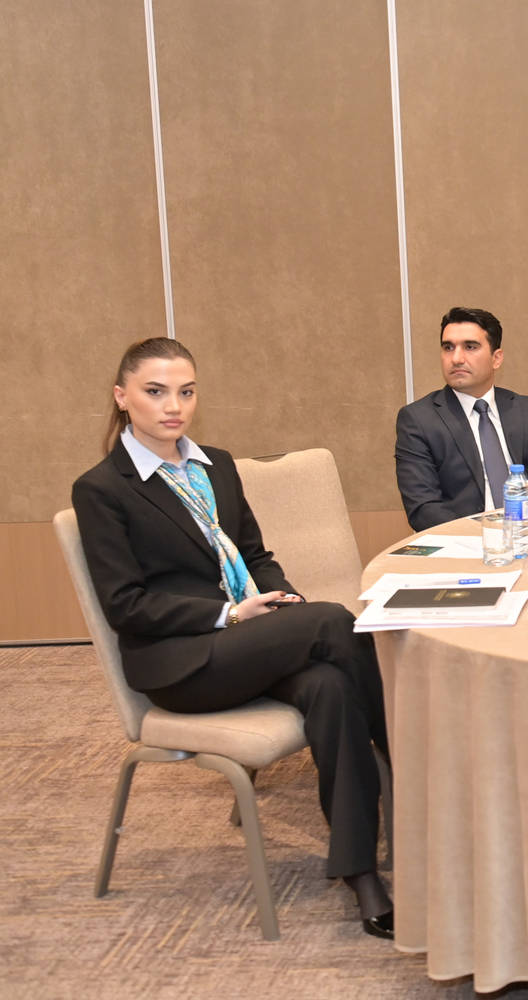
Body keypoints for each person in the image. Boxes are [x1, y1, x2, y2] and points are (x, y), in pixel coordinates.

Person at [72, 338, 394, 938]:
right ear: (122, 397)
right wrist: (231, 615)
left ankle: (361, 873)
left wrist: (282, 600)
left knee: (330, 684)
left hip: (249, 641)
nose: (174, 406)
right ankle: (409, 764)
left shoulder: (216, 464)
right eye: (155, 391)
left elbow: (255, 555)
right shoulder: (102, 489)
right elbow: (126, 605)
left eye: (186, 391)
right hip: (182, 664)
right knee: (331, 622)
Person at [395, 306, 528, 531]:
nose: (456, 358)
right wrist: (487, 535)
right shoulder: (418, 420)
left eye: (470, 347)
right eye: (448, 347)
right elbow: (423, 509)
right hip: (467, 541)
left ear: (496, 358)